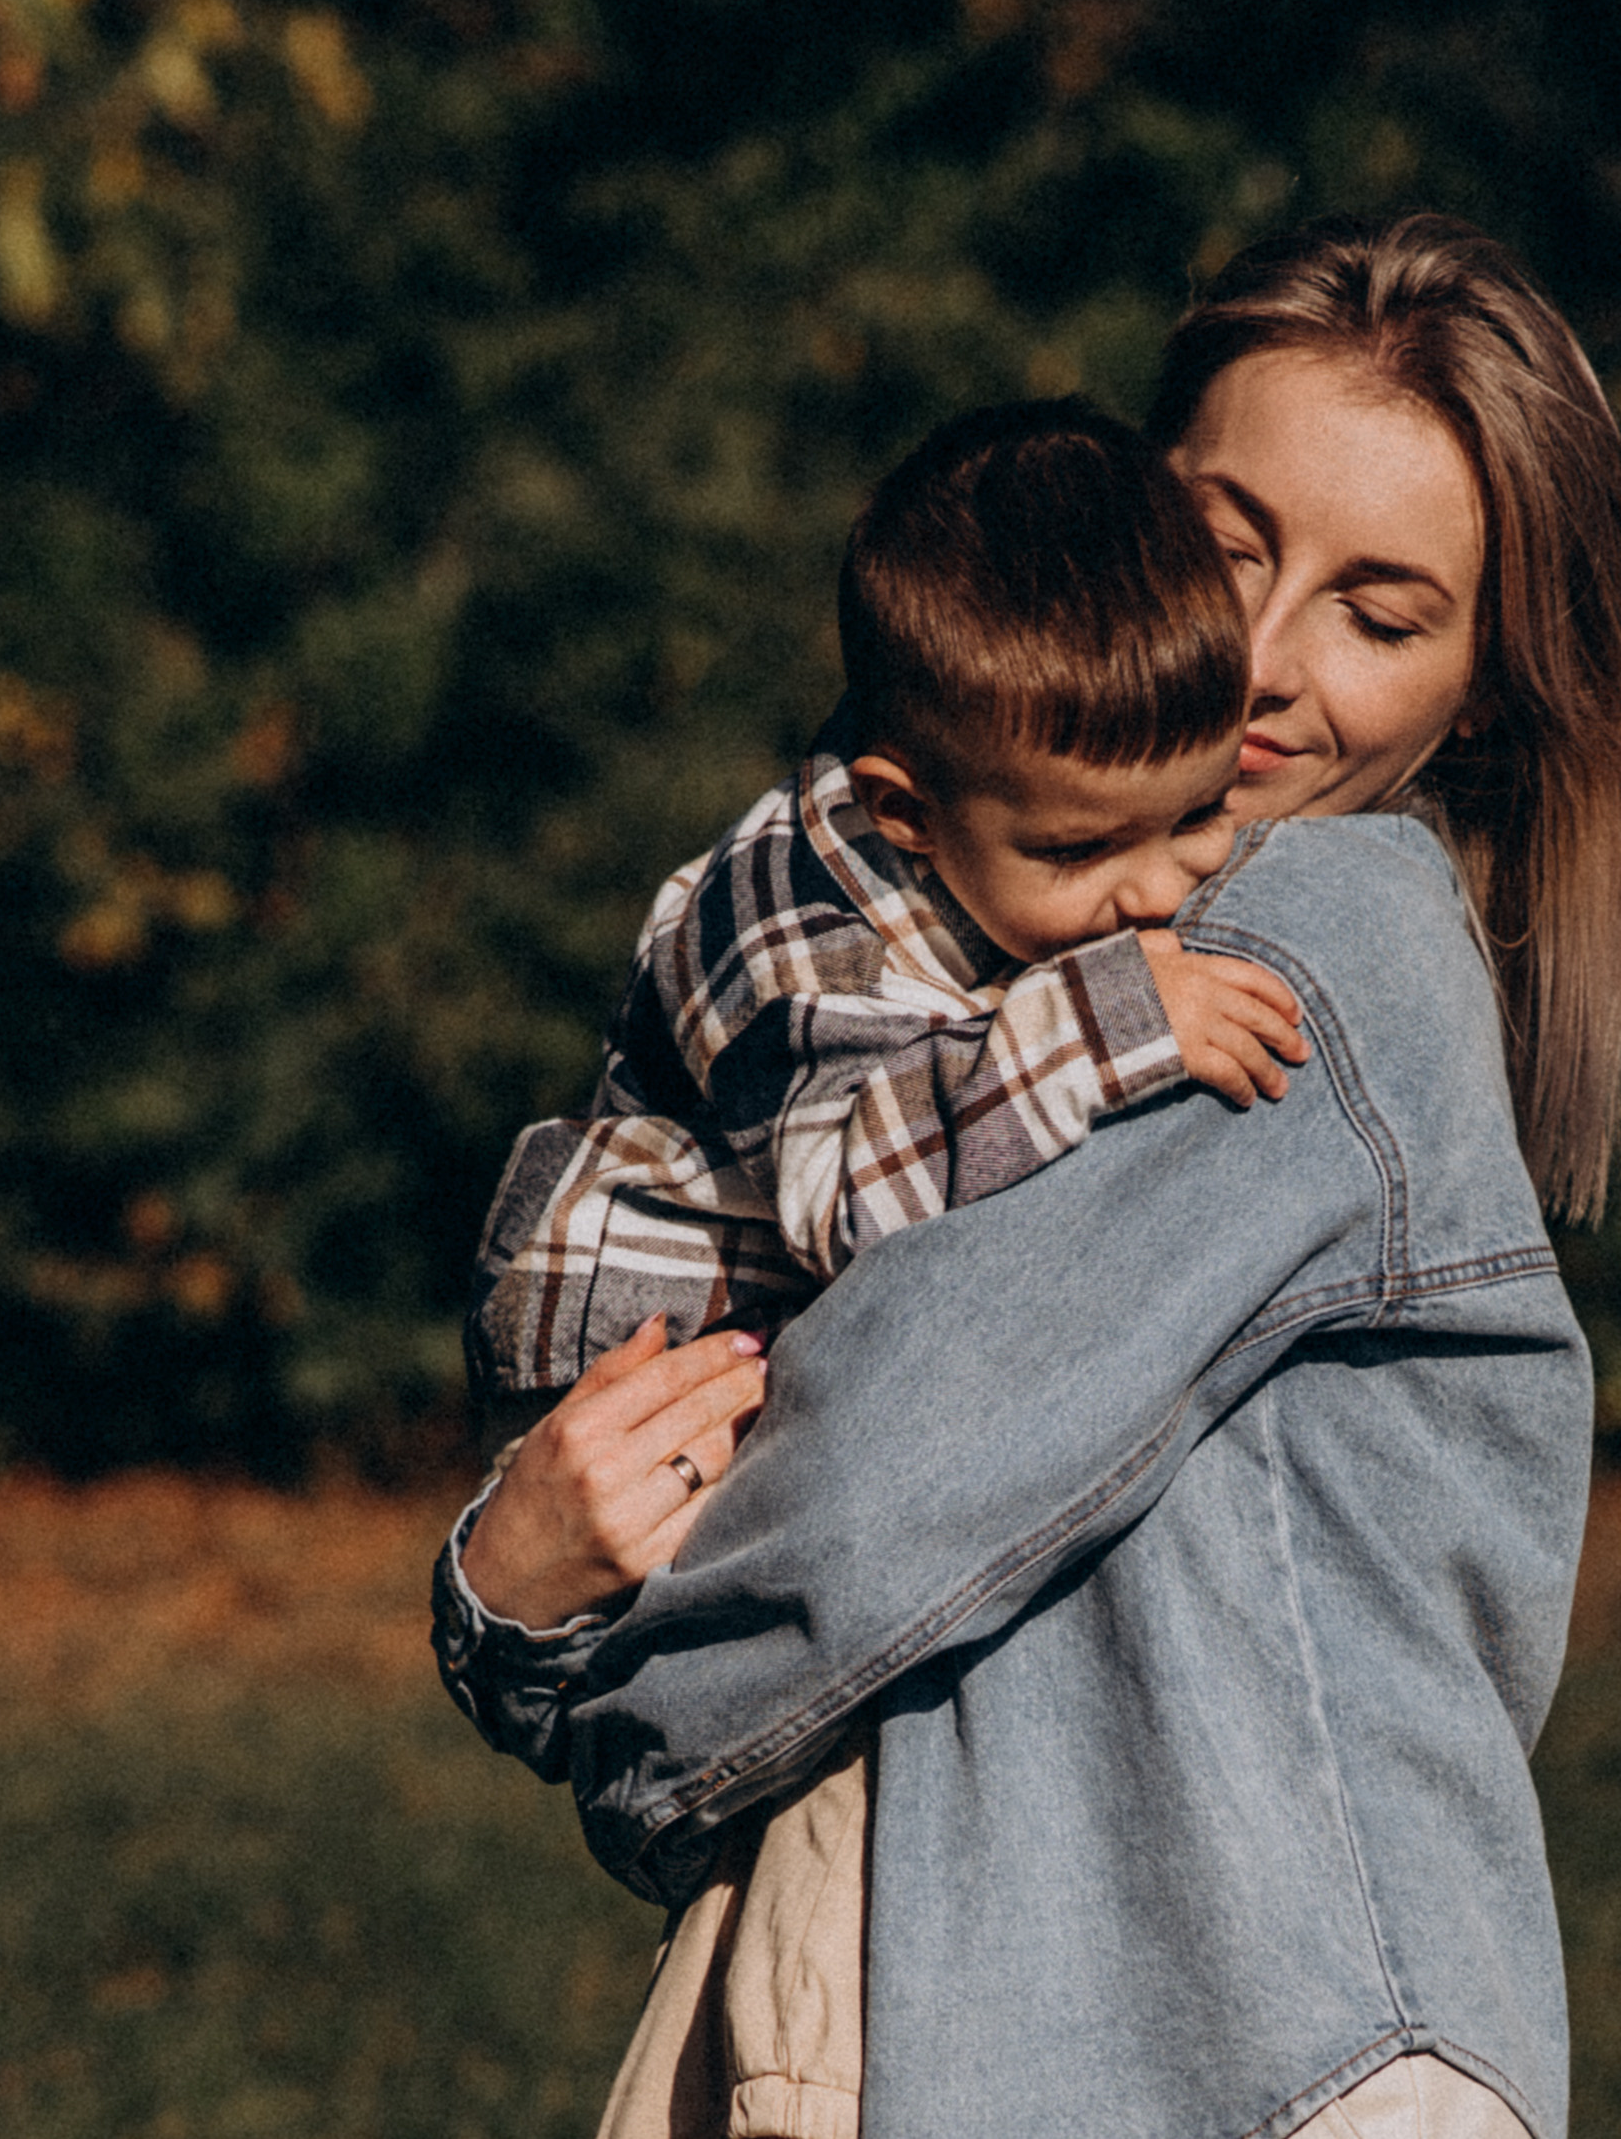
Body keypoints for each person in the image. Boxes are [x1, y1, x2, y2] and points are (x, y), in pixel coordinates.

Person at [434, 214, 1621, 2139]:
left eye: (1378, 613)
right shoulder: (942, 924)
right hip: (1055, 2007)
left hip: (1253, 2041)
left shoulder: (1300, 943)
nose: (1261, 662)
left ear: (1481, 694)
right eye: (1227, 547)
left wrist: (538, 1646)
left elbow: (881, 1475)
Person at [450, 400, 1309, 2134]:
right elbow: (847, 1184)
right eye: (1079, 853)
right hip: (658, 1355)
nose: (1152, 894)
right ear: (908, 812)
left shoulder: (1036, 835)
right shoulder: (779, 919)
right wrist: (1104, 1020)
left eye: (1196, 817)